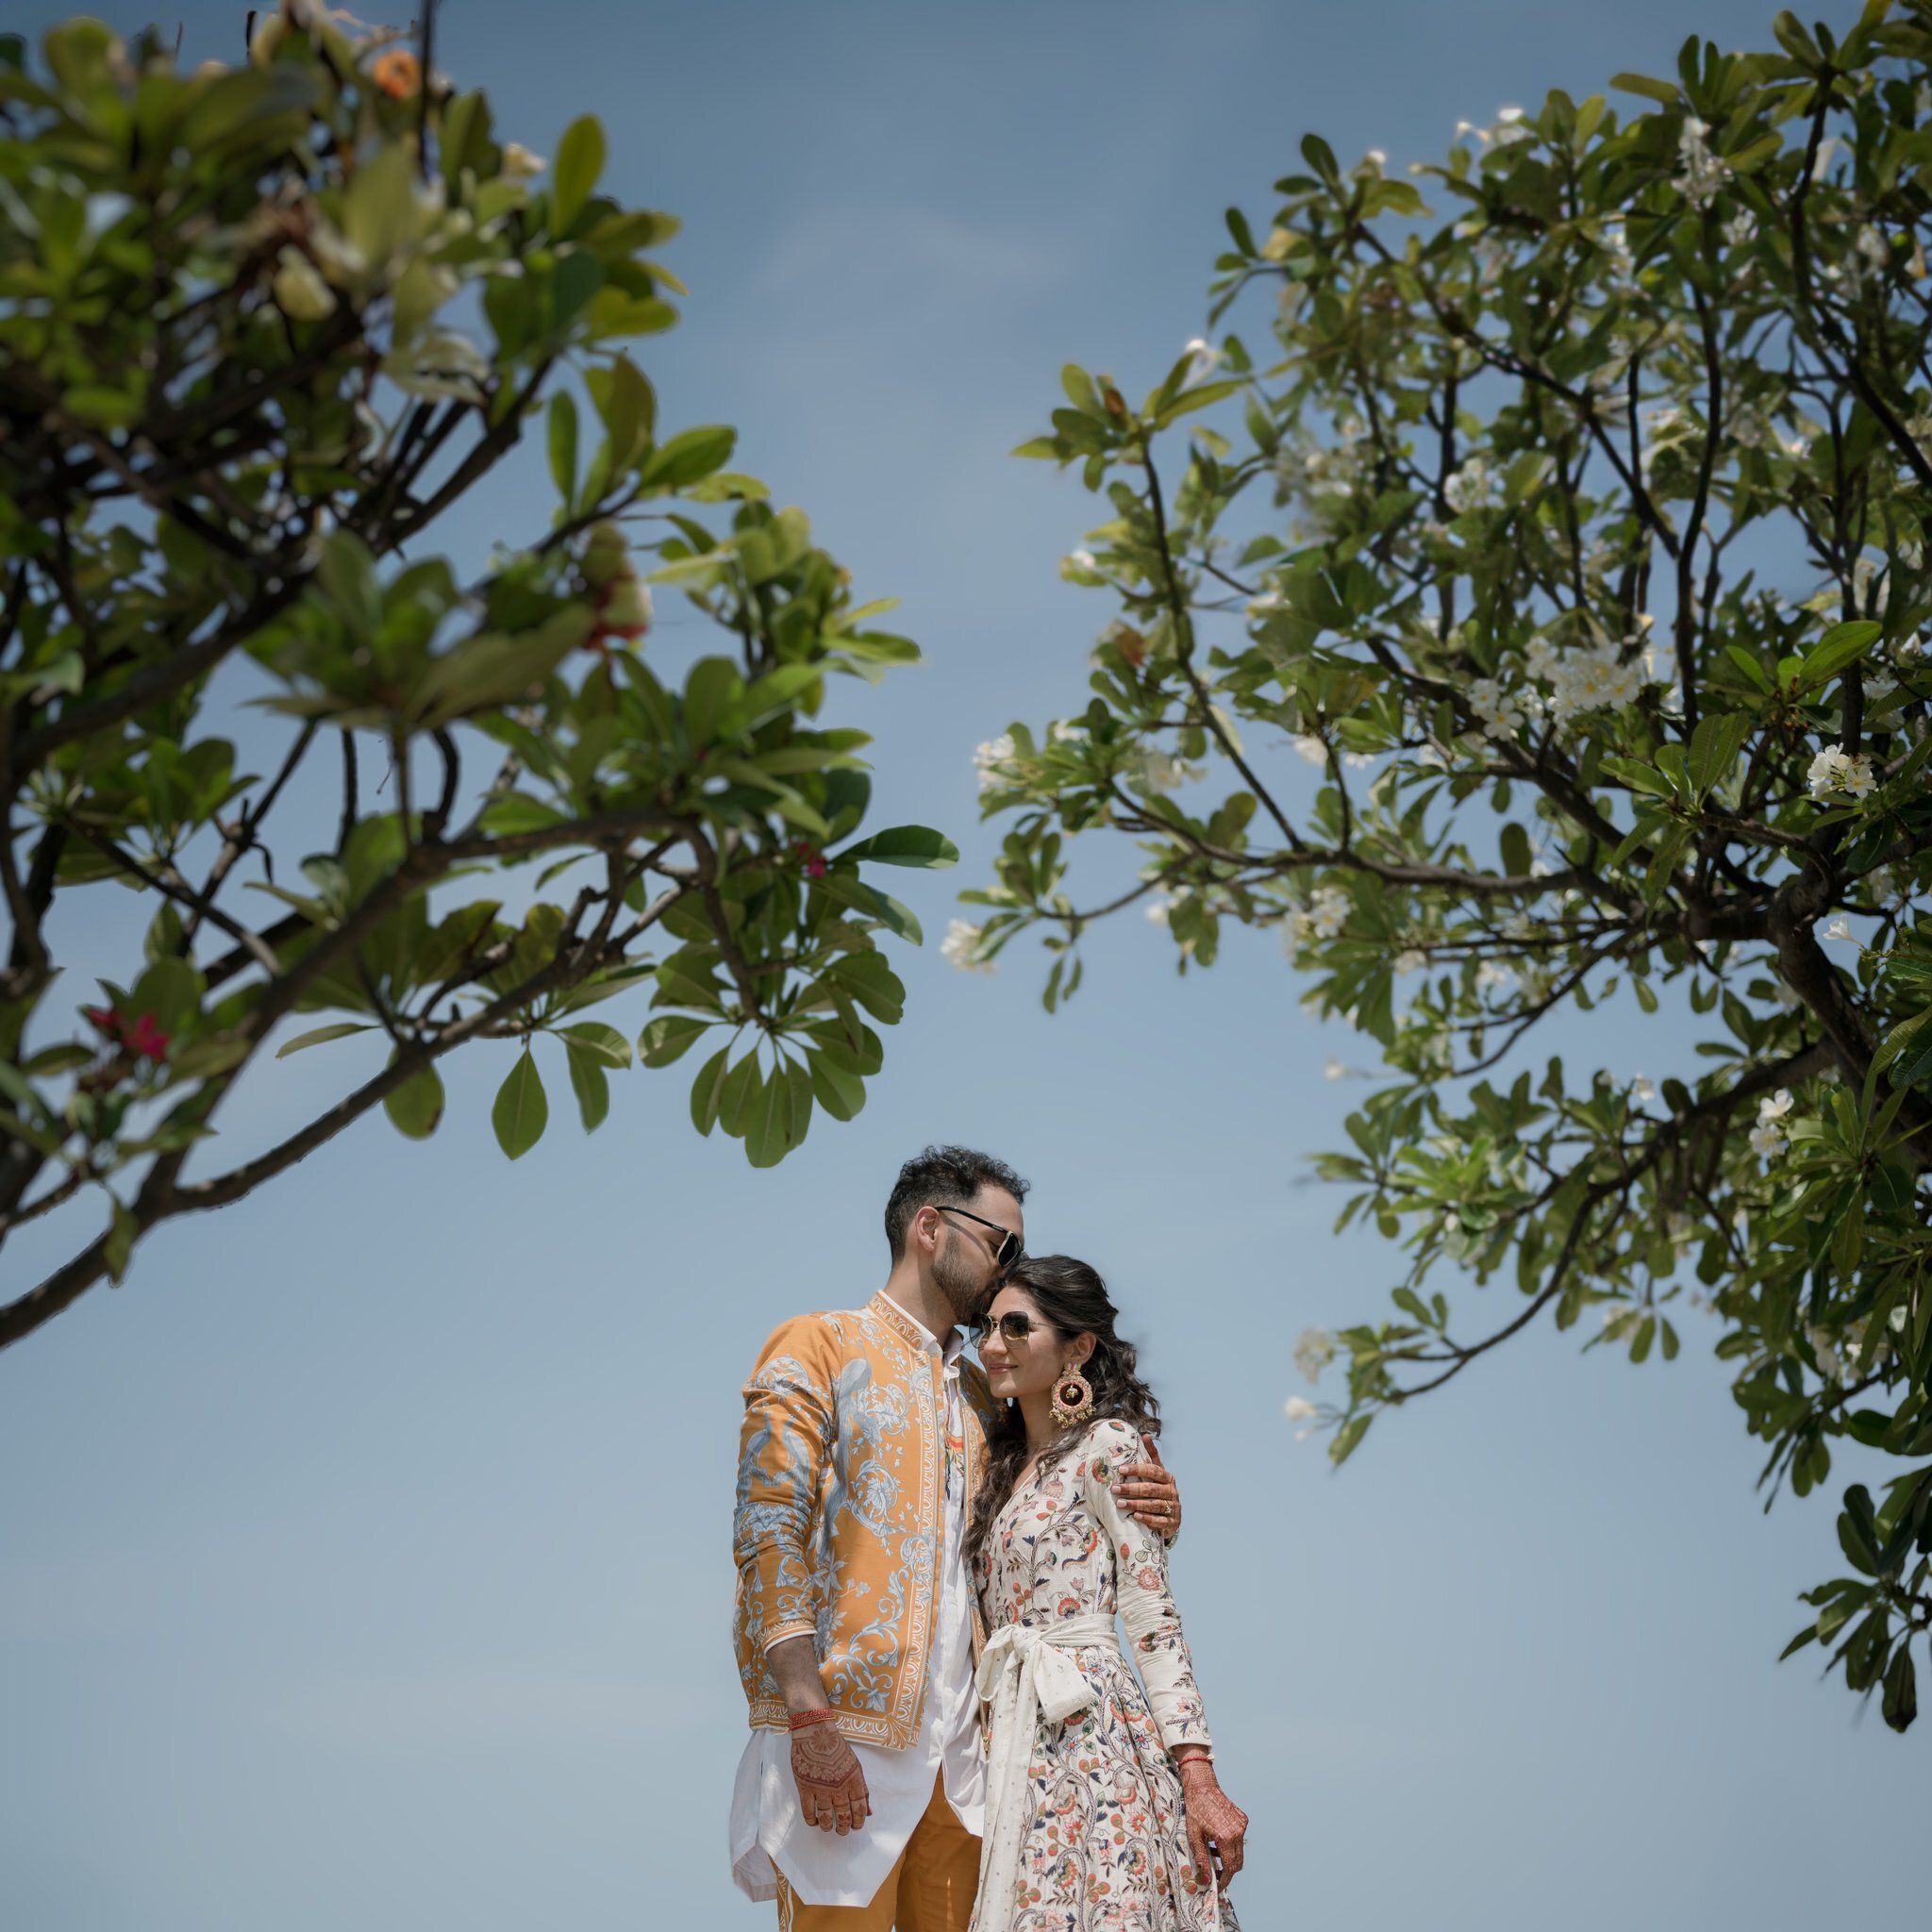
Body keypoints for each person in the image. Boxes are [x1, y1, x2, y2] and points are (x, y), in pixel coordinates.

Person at [730, 1146, 1185, 1931]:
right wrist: (809, 1719)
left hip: (973, 1771)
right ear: (930, 1228)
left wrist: (1154, 1504)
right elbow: (769, 1538)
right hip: (847, 1745)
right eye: (1003, 1244)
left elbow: (1061, 1500)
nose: (1014, 1263)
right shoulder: (820, 1346)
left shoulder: (988, 1392)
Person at [967, 1255, 1247, 1931]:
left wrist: (1198, 1774)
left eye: (1015, 1326)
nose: (992, 1344)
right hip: (1006, 1739)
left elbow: (1151, 1615)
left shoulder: (1111, 1446)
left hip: (1091, 1737)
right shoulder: (996, 1469)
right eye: (986, 1326)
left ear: (1079, 1347)